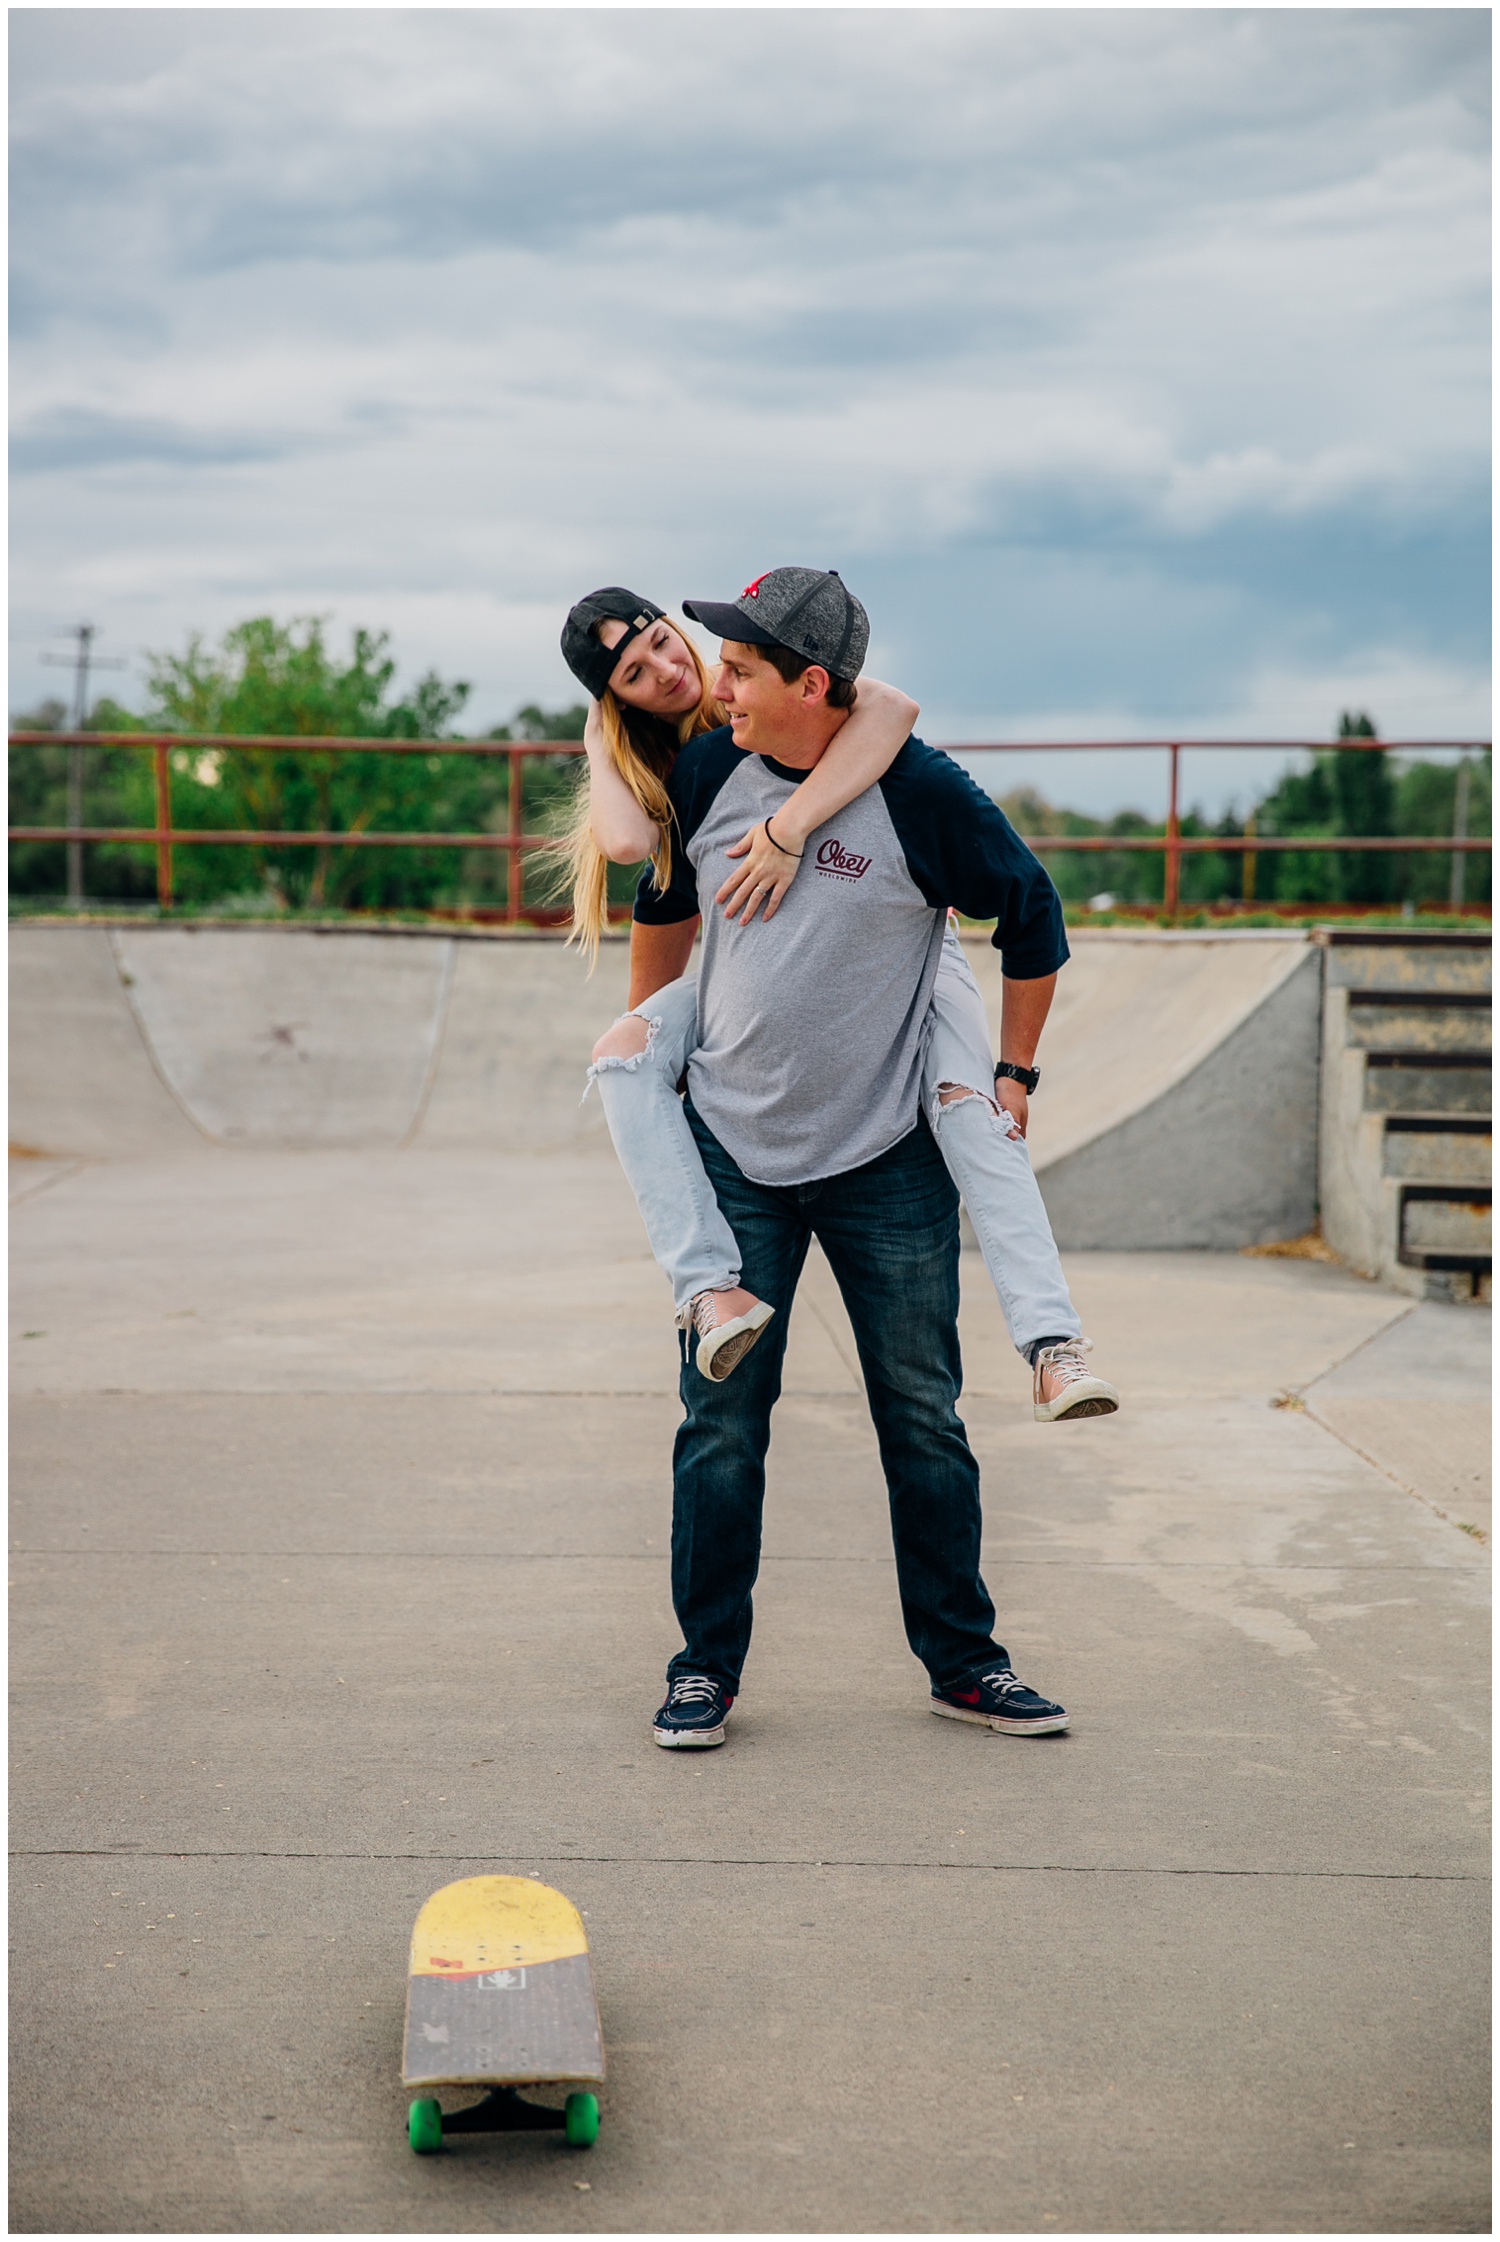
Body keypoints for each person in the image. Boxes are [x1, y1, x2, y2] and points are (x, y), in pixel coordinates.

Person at [566, 566, 1084, 1750]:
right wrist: (658, 1048)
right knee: (722, 1420)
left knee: (923, 1414)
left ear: (808, 681)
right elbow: (656, 896)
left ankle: (965, 1662)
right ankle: (704, 1669)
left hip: (884, 1156)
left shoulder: (917, 789)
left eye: (739, 669)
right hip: (739, 1148)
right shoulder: (705, 769)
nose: (712, 684)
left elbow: (1033, 911)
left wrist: (1012, 1075)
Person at [559, 583, 1118, 1420]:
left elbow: (888, 707)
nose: (674, 673)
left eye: (665, 645)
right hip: (756, 974)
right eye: (635, 676)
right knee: (622, 1053)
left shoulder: (752, 673)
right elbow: (640, 861)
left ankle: (1053, 1344)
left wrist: (788, 831)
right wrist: (603, 748)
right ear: (615, 699)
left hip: (896, 955)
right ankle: (706, 1288)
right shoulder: (685, 762)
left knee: (970, 1106)